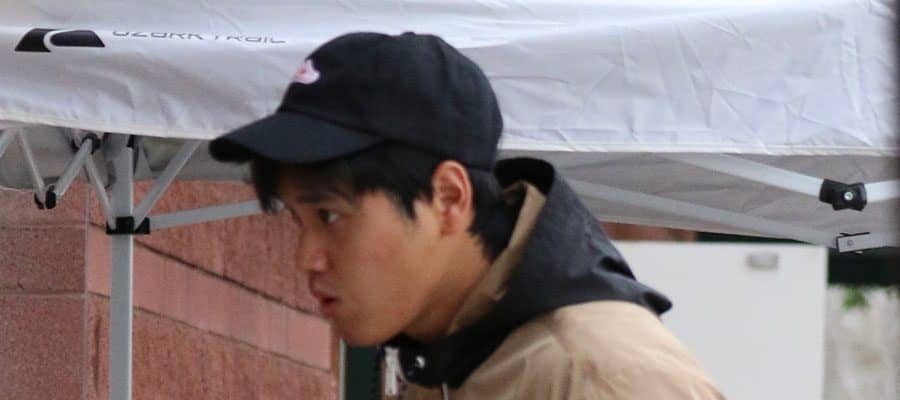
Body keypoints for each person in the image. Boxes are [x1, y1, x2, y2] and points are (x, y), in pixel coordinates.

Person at [210, 32, 724, 400]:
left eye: (329, 216)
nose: (307, 259)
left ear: (450, 198)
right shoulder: (450, 360)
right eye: (297, 221)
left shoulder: (599, 379)